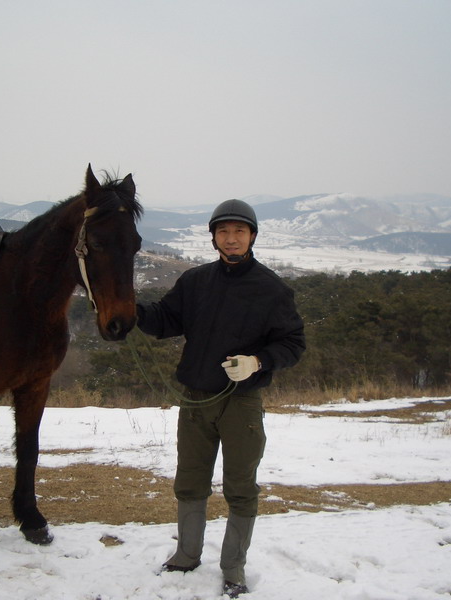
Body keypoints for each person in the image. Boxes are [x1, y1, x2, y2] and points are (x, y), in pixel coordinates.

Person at [136, 199, 305, 598]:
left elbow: (293, 343)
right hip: (195, 400)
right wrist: (128, 310)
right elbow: (165, 319)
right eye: (224, 232)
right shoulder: (195, 282)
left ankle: (233, 567)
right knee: (190, 481)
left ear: (252, 237)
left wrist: (258, 361)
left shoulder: (271, 288)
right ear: (213, 237)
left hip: (241, 402)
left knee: (241, 486)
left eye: (239, 232)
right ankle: (186, 554)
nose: (231, 239)